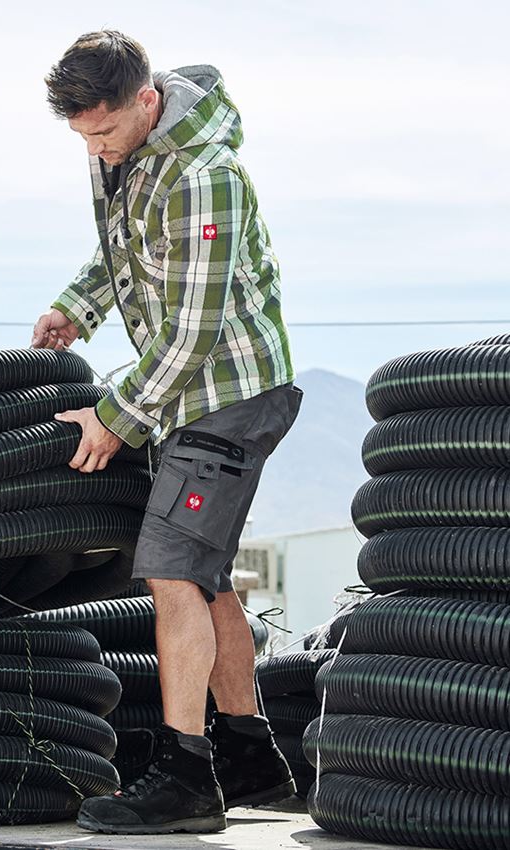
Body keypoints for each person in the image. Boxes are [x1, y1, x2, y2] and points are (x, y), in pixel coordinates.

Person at [31, 30, 302, 835]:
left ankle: (188, 778)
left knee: (172, 571)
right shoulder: (118, 148)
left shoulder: (207, 178)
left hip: (231, 395)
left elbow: (193, 330)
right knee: (206, 577)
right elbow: (123, 249)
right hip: (187, 395)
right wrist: (76, 307)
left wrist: (114, 418)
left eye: (105, 132)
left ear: (145, 101)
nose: (97, 149)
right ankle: (252, 753)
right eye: (83, 137)